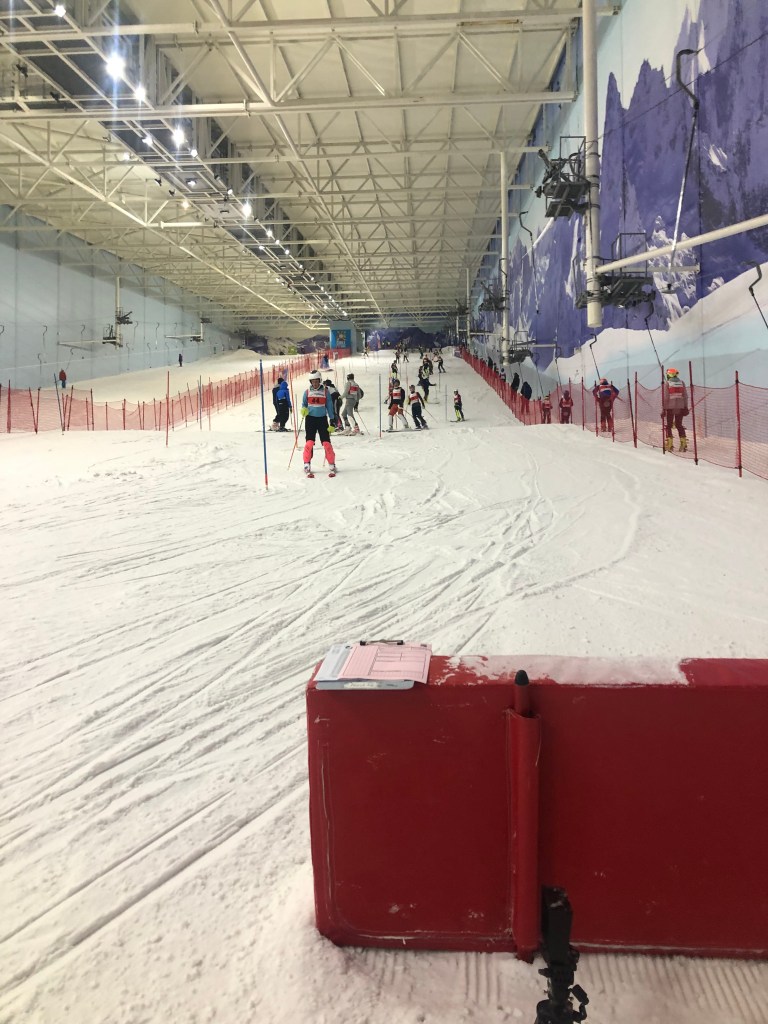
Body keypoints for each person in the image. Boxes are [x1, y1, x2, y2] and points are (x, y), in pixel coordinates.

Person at [300, 370, 337, 476]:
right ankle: (307, 463)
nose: (315, 383)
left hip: (322, 419)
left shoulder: (325, 392)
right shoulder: (307, 392)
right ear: (310, 382)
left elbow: (329, 406)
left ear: (320, 380)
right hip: (310, 419)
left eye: (316, 381)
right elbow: (304, 404)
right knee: (309, 443)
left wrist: (332, 419)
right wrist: (303, 409)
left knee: (326, 443)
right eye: (313, 381)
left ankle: (332, 464)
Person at [662, 367, 689, 452]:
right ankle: (683, 444)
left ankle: (669, 445)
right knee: (679, 425)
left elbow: (666, 397)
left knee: (669, 426)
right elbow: (685, 396)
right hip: (680, 407)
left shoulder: (667, 384)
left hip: (670, 408)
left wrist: (663, 409)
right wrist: (686, 407)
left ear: (669, 375)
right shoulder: (682, 383)